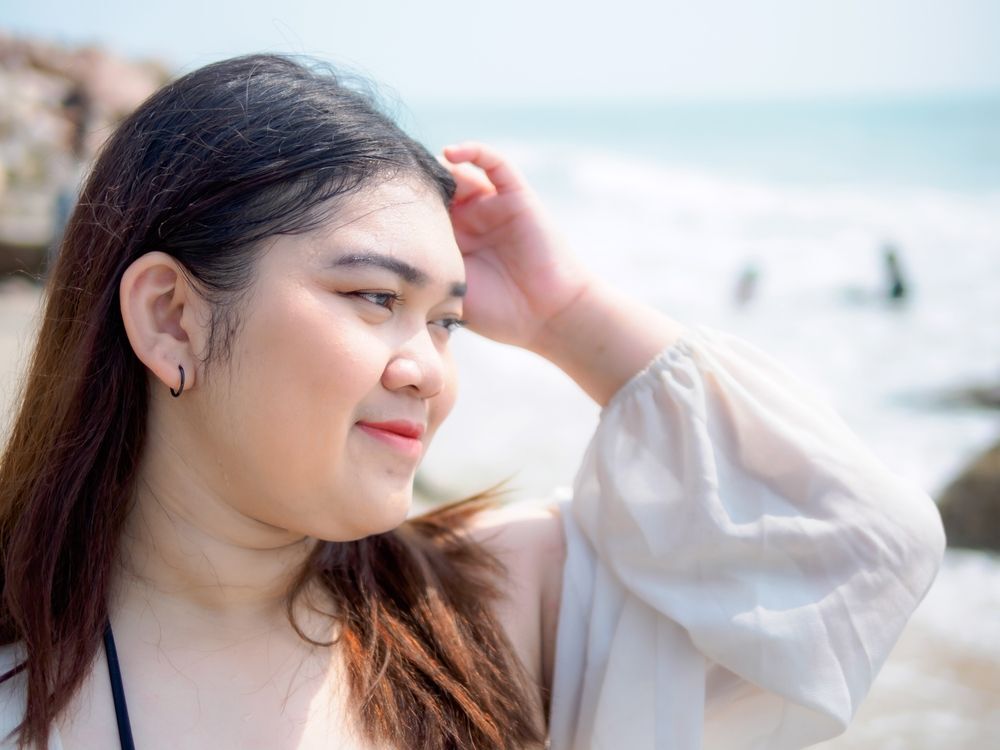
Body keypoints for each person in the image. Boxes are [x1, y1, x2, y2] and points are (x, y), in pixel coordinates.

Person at [0, 54, 944, 750]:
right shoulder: (22, 696)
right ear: (172, 318)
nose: (429, 371)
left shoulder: (482, 608)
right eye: (375, 298)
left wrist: (568, 314)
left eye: (447, 321)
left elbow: (862, 550)